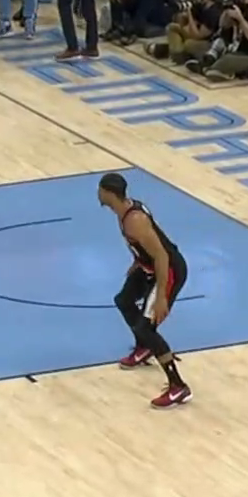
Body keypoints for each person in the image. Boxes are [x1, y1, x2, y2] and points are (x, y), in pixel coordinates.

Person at [97, 172, 190, 408]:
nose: (97, 194)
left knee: (146, 327)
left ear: (108, 193)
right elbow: (144, 245)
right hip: (148, 266)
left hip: (167, 271)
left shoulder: (135, 220)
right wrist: (137, 261)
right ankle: (144, 347)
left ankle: (178, 386)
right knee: (124, 300)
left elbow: (162, 256)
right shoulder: (124, 211)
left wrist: (161, 297)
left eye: (100, 190)